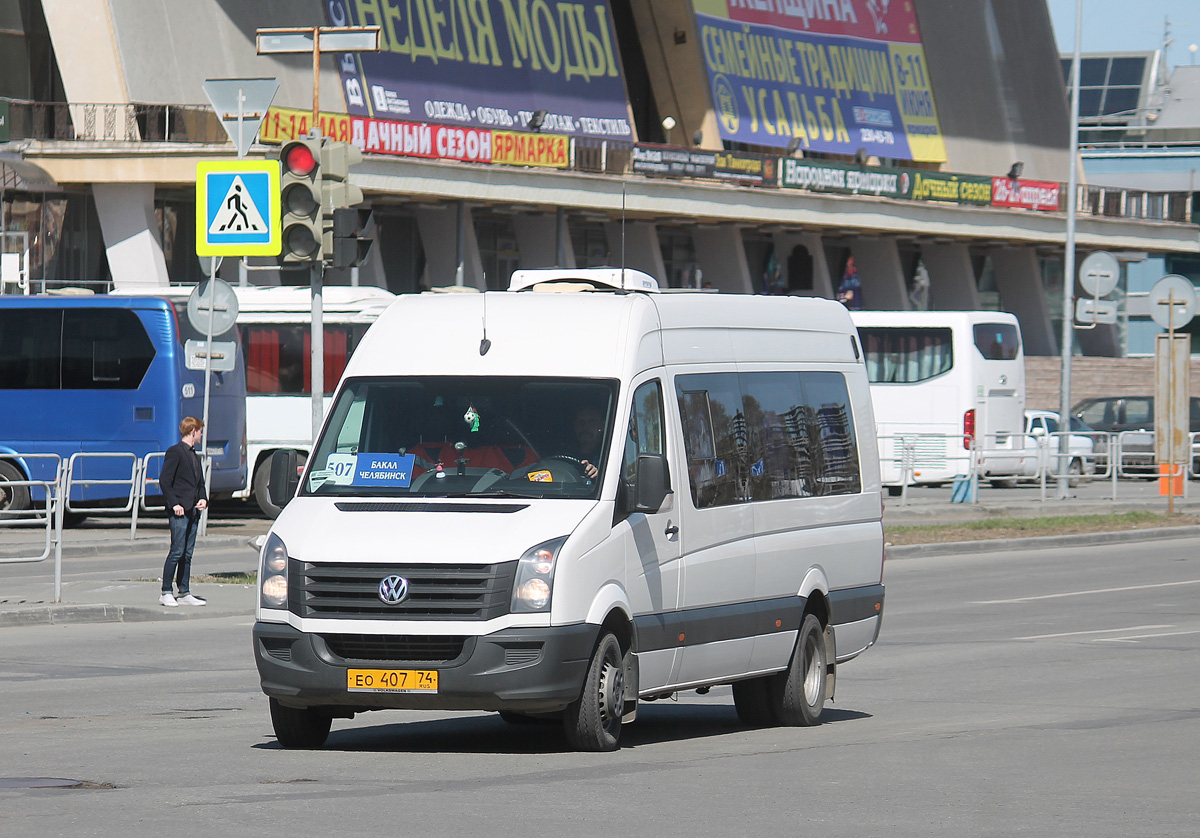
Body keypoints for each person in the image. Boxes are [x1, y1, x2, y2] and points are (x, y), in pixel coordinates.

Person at [159, 417, 209, 607]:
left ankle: (184, 591)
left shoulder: (193, 455)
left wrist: (203, 498)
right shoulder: (175, 452)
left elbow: (200, 483)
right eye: (200, 431)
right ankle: (165, 591)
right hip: (180, 510)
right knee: (177, 550)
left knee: (187, 553)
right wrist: (174, 504)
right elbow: (165, 480)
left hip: (193, 510)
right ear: (193, 431)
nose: (202, 435)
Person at [572, 406, 604, 479]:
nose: (585, 426)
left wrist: (598, 475)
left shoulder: (608, 456)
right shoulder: (563, 456)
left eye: (591, 422)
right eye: (580, 422)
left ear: (602, 426)